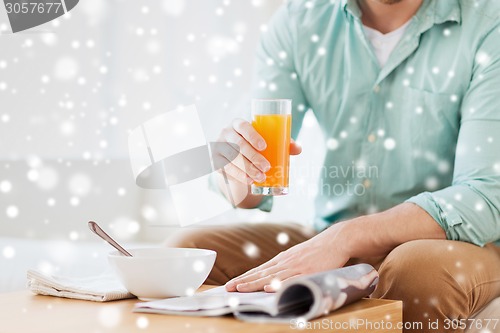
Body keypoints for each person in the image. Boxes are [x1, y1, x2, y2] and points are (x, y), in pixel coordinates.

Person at [167, 0, 500, 331]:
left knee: (418, 269)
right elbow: (250, 187)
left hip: (455, 243)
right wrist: (239, 169)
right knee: (189, 254)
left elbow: (486, 197)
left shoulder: (487, 23)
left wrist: (346, 237)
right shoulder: (302, 20)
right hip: (333, 231)